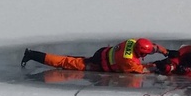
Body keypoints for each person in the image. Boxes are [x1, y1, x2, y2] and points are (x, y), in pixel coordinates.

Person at [20, 38, 176, 74]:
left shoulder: (133, 41)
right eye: (145, 53)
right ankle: (32, 55)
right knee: (67, 62)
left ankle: (33, 54)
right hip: (99, 64)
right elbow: (140, 70)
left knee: (73, 58)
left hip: (102, 52)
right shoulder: (127, 60)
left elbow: (153, 47)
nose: (146, 55)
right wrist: (157, 66)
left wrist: (165, 52)